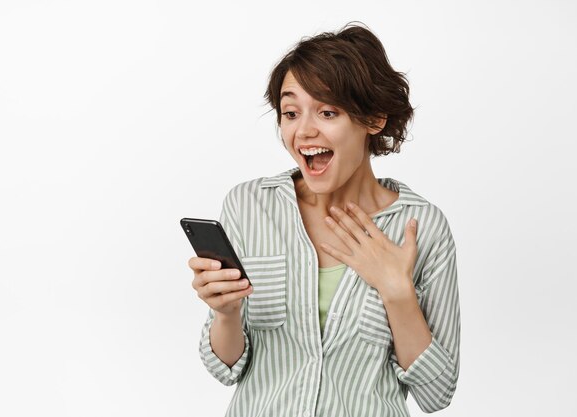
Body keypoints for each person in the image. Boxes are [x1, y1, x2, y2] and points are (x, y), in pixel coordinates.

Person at [188, 21, 460, 417]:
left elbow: (438, 395)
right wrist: (226, 313)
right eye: (291, 112)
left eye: (328, 111)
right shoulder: (249, 205)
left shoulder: (422, 228)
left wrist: (396, 291)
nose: (304, 131)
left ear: (374, 119)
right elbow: (226, 368)